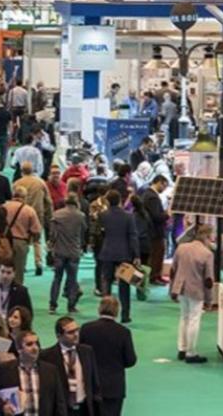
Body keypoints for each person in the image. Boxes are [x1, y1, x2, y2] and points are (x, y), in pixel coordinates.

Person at [0, 331, 67, 416]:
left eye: (36, 343)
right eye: (29, 344)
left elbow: (59, 402)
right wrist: (3, 407)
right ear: (19, 349)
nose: (35, 348)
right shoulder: (5, 369)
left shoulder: (50, 370)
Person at [79, 296, 136, 416]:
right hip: (114, 385)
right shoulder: (123, 332)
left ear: (99, 308)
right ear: (117, 310)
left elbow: (80, 354)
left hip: (90, 384)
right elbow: (130, 360)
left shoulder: (86, 328)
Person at [170, 224, 215, 364]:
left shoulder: (181, 248)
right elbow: (208, 280)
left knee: (184, 317)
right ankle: (191, 353)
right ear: (207, 236)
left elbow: (173, 271)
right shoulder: (207, 254)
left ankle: (182, 349)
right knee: (194, 320)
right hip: (196, 290)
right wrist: (209, 300)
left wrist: (172, 290)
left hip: (181, 288)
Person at [40, 317, 101, 416]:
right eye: (70, 332)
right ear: (59, 336)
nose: (76, 334)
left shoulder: (87, 351)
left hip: (84, 409)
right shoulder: (47, 356)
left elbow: (94, 381)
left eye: (77, 330)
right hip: (61, 410)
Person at [98, 190, 139, 323]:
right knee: (124, 286)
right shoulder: (129, 216)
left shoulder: (102, 215)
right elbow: (133, 236)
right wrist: (136, 255)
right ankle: (125, 315)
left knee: (106, 283)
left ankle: (105, 313)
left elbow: (100, 233)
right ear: (120, 200)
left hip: (107, 252)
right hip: (124, 254)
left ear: (108, 201)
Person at [48, 194, 87, 314]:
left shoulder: (57, 215)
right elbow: (84, 231)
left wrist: (51, 245)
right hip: (74, 252)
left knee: (57, 278)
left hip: (59, 251)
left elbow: (52, 234)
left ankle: (53, 305)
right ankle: (71, 306)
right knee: (72, 279)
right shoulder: (80, 216)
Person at [3, 187, 43, 283]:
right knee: (18, 272)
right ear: (25, 197)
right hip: (21, 243)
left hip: (4, 242)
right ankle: (16, 290)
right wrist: (32, 241)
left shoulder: (3, 207)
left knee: (3, 270)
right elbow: (36, 231)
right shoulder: (29, 210)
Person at [142, 175, 169, 285]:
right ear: (159, 182)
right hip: (155, 232)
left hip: (151, 231)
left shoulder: (147, 194)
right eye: (164, 186)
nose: (164, 189)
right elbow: (157, 216)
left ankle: (156, 275)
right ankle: (154, 277)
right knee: (157, 255)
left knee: (156, 254)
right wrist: (167, 215)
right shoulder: (152, 197)